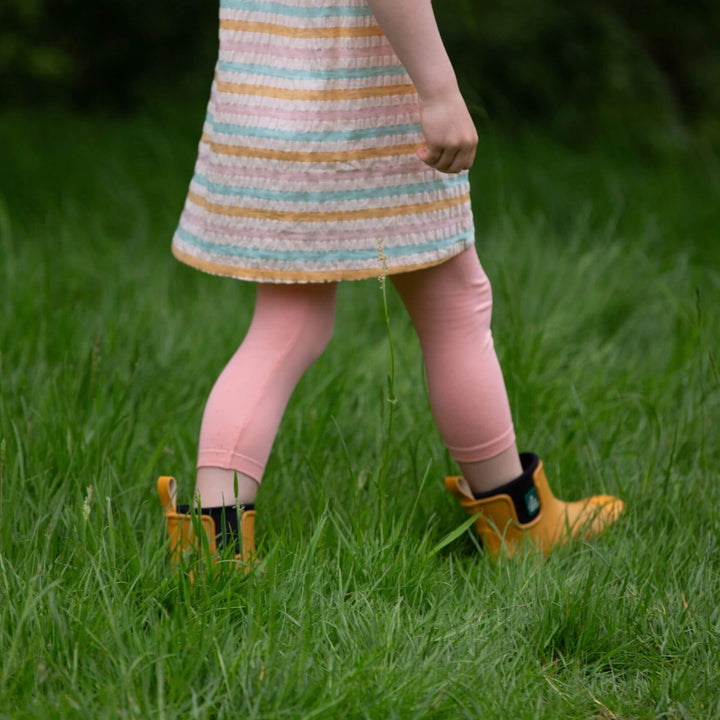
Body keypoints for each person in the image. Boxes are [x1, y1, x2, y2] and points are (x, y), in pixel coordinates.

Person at [157, 0, 623, 570]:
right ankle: (521, 522)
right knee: (456, 305)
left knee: (286, 329)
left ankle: (211, 547)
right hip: (367, 116)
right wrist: (440, 90)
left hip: (272, 108)